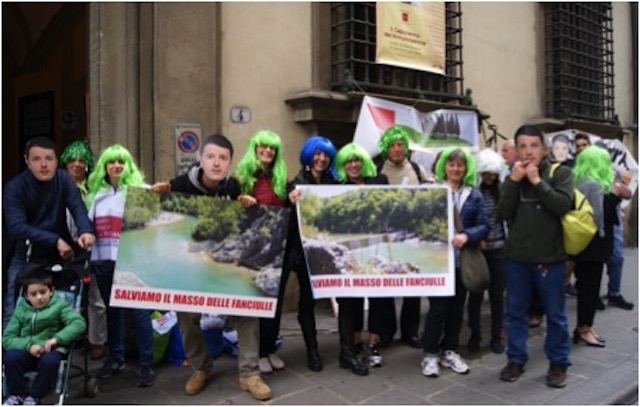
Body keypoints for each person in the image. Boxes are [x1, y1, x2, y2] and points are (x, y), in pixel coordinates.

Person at [152, 134, 271, 400]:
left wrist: (248, 205)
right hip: (191, 260)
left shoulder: (233, 187)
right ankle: (201, 367)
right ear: (201, 159)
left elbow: (245, 225)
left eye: (223, 158)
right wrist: (156, 195)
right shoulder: (179, 185)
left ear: (229, 162)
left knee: (248, 307)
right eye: (211, 157)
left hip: (221, 257)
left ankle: (250, 373)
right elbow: (160, 217)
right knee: (185, 313)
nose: (216, 163)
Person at [497, 124, 573, 388]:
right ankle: (516, 359)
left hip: (549, 261)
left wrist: (537, 183)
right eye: (523, 146)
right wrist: (515, 181)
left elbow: (563, 205)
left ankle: (558, 363)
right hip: (517, 260)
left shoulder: (560, 173)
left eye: (534, 146)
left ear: (543, 149)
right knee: (515, 313)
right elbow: (503, 212)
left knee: (555, 315)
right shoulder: (512, 177)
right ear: (516, 150)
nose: (528, 152)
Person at [3, 136, 95, 330]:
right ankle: (9, 356)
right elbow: (16, 227)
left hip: (58, 257)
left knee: (61, 309)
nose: (44, 165)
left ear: (56, 161)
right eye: (37, 159)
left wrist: (86, 231)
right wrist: (55, 240)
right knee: (13, 310)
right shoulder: (14, 187)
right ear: (27, 161)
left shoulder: (63, 179)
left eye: (49, 159)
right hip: (26, 255)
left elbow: (78, 207)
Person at [86, 144, 156, 388]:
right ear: (104, 166)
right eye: (111, 162)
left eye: (121, 162)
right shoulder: (95, 194)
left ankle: (147, 364)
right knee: (112, 312)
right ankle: (115, 360)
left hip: (131, 261)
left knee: (138, 314)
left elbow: (154, 223)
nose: (116, 166)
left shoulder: (140, 190)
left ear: (128, 166)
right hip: (103, 261)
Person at [421, 147, 488, 378]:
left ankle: (449, 350)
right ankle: (430, 354)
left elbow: (484, 225)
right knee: (438, 309)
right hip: (436, 262)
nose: (455, 169)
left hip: (461, 264)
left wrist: (467, 236)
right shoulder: (433, 190)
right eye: (451, 165)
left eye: (460, 165)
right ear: (444, 167)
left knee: (457, 310)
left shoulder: (474, 195)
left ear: (466, 167)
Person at [333, 142, 390, 376]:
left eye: (357, 160)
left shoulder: (379, 181)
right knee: (349, 300)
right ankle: (350, 348)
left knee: (378, 296)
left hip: (375, 248)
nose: (354, 165)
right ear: (343, 165)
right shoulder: (336, 187)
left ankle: (373, 343)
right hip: (349, 250)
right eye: (348, 161)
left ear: (364, 162)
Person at [283, 135, 338, 372]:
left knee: (312, 299)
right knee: (298, 301)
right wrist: (289, 201)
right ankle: (311, 349)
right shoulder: (294, 184)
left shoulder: (334, 184)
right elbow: (285, 219)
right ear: (309, 155)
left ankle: (319, 349)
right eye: (317, 153)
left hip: (322, 251)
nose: (322, 158)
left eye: (326, 155)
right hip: (298, 251)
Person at [235, 130, 288, 375]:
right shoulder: (243, 178)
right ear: (254, 148)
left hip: (277, 248)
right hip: (253, 247)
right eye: (263, 147)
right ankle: (255, 354)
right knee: (256, 302)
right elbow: (233, 209)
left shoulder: (279, 178)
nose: (268, 151)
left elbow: (285, 207)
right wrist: (240, 200)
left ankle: (269, 349)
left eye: (272, 148)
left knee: (274, 304)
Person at [2, 268, 86, 406]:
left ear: (51, 291)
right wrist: (29, 346)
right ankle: (15, 394)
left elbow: (78, 323)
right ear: (26, 296)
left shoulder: (59, 306)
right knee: (11, 358)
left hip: (50, 349)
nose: (39, 297)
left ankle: (34, 396)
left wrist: (57, 339)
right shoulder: (21, 310)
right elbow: (7, 338)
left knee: (50, 362)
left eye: (43, 292)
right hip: (27, 350)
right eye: (33, 294)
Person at [377, 125, 428, 349]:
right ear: (386, 148)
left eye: (400, 145)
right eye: (392, 145)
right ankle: (386, 332)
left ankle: (410, 331)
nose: (397, 149)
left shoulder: (417, 170)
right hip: (386, 239)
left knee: (412, 285)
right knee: (387, 285)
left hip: (412, 237)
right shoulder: (378, 171)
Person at [59, 140, 107, 361]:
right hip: (62, 249)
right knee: (65, 297)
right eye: (72, 160)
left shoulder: (94, 189)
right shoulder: (56, 185)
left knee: (94, 298)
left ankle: (97, 341)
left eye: (81, 160)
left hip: (90, 250)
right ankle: (72, 338)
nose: (76, 164)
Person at [571, 145, 622, 348]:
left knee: (586, 287)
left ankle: (585, 327)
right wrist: (615, 196)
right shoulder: (593, 185)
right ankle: (584, 329)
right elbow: (599, 216)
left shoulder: (579, 182)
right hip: (593, 244)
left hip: (585, 243)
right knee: (589, 289)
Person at [467, 148, 506, 354]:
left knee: (497, 296)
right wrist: (475, 238)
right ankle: (475, 335)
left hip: (499, 249)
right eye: (487, 174)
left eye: (494, 174)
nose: (491, 177)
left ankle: (496, 336)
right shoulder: (473, 193)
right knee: (475, 295)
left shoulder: (502, 191)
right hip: (478, 250)